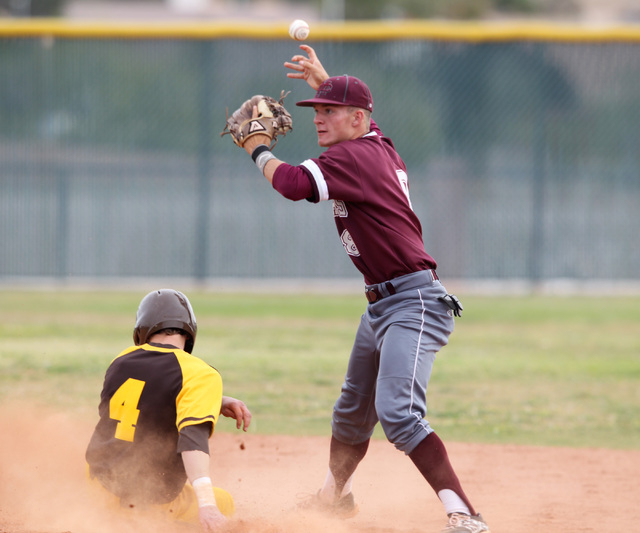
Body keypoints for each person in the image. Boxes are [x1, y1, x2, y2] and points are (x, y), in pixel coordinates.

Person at [240, 45, 489, 533]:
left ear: (355, 119)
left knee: (398, 413)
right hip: (382, 305)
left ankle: (464, 513)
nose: (318, 119)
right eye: (317, 111)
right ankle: (335, 497)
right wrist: (324, 83)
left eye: (329, 112)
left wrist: (256, 147)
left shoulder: (352, 158)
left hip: (414, 303)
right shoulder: (376, 145)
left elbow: (291, 183)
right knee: (351, 414)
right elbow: (365, 119)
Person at [86, 288, 251, 532]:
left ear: (142, 330)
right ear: (189, 332)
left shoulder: (120, 360)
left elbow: (150, 401)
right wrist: (207, 505)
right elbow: (193, 441)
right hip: (147, 503)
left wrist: (214, 400)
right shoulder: (200, 373)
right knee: (224, 501)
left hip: (96, 489)